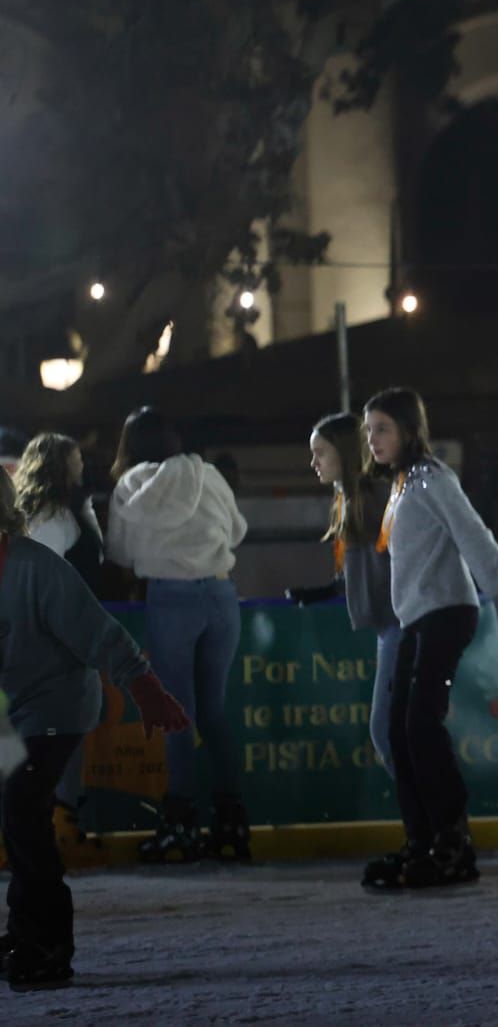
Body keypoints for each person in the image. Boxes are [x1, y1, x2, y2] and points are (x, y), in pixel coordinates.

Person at [0, 467, 190, 990]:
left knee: (22, 806)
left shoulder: (35, 566)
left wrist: (144, 686)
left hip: (55, 708)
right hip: (8, 713)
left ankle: (47, 943)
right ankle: (23, 929)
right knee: (16, 815)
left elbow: (99, 631)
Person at [359, 388, 498, 891]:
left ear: (410, 430)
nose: (373, 439)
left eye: (383, 428)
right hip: (418, 617)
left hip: (448, 613)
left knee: (419, 726)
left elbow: (473, 533)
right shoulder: (402, 484)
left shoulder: (433, 478)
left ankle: (453, 842)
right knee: (396, 730)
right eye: (369, 431)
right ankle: (422, 842)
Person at [105, 407, 250, 863]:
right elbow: (239, 530)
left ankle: (180, 824)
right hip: (222, 596)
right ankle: (231, 822)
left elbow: (120, 551)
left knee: (176, 715)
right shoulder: (207, 474)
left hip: (171, 600)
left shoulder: (129, 486)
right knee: (213, 713)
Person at [285, 413, 401, 777]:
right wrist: (325, 591)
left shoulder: (373, 498)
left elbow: (406, 557)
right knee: (392, 732)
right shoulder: (348, 500)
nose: (313, 463)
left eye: (321, 453)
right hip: (390, 626)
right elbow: (362, 568)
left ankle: (434, 824)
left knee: (386, 731)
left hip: (404, 623)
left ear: (345, 454)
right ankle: (429, 824)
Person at [15, 434, 109, 866]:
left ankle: (61, 820)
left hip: (68, 634)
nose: (81, 469)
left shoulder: (70, 509)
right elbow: (48, 580)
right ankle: (57, 822)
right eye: (74, 462)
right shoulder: (50, 517)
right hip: (56, 637)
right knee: (55, 731)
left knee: (59, 732)